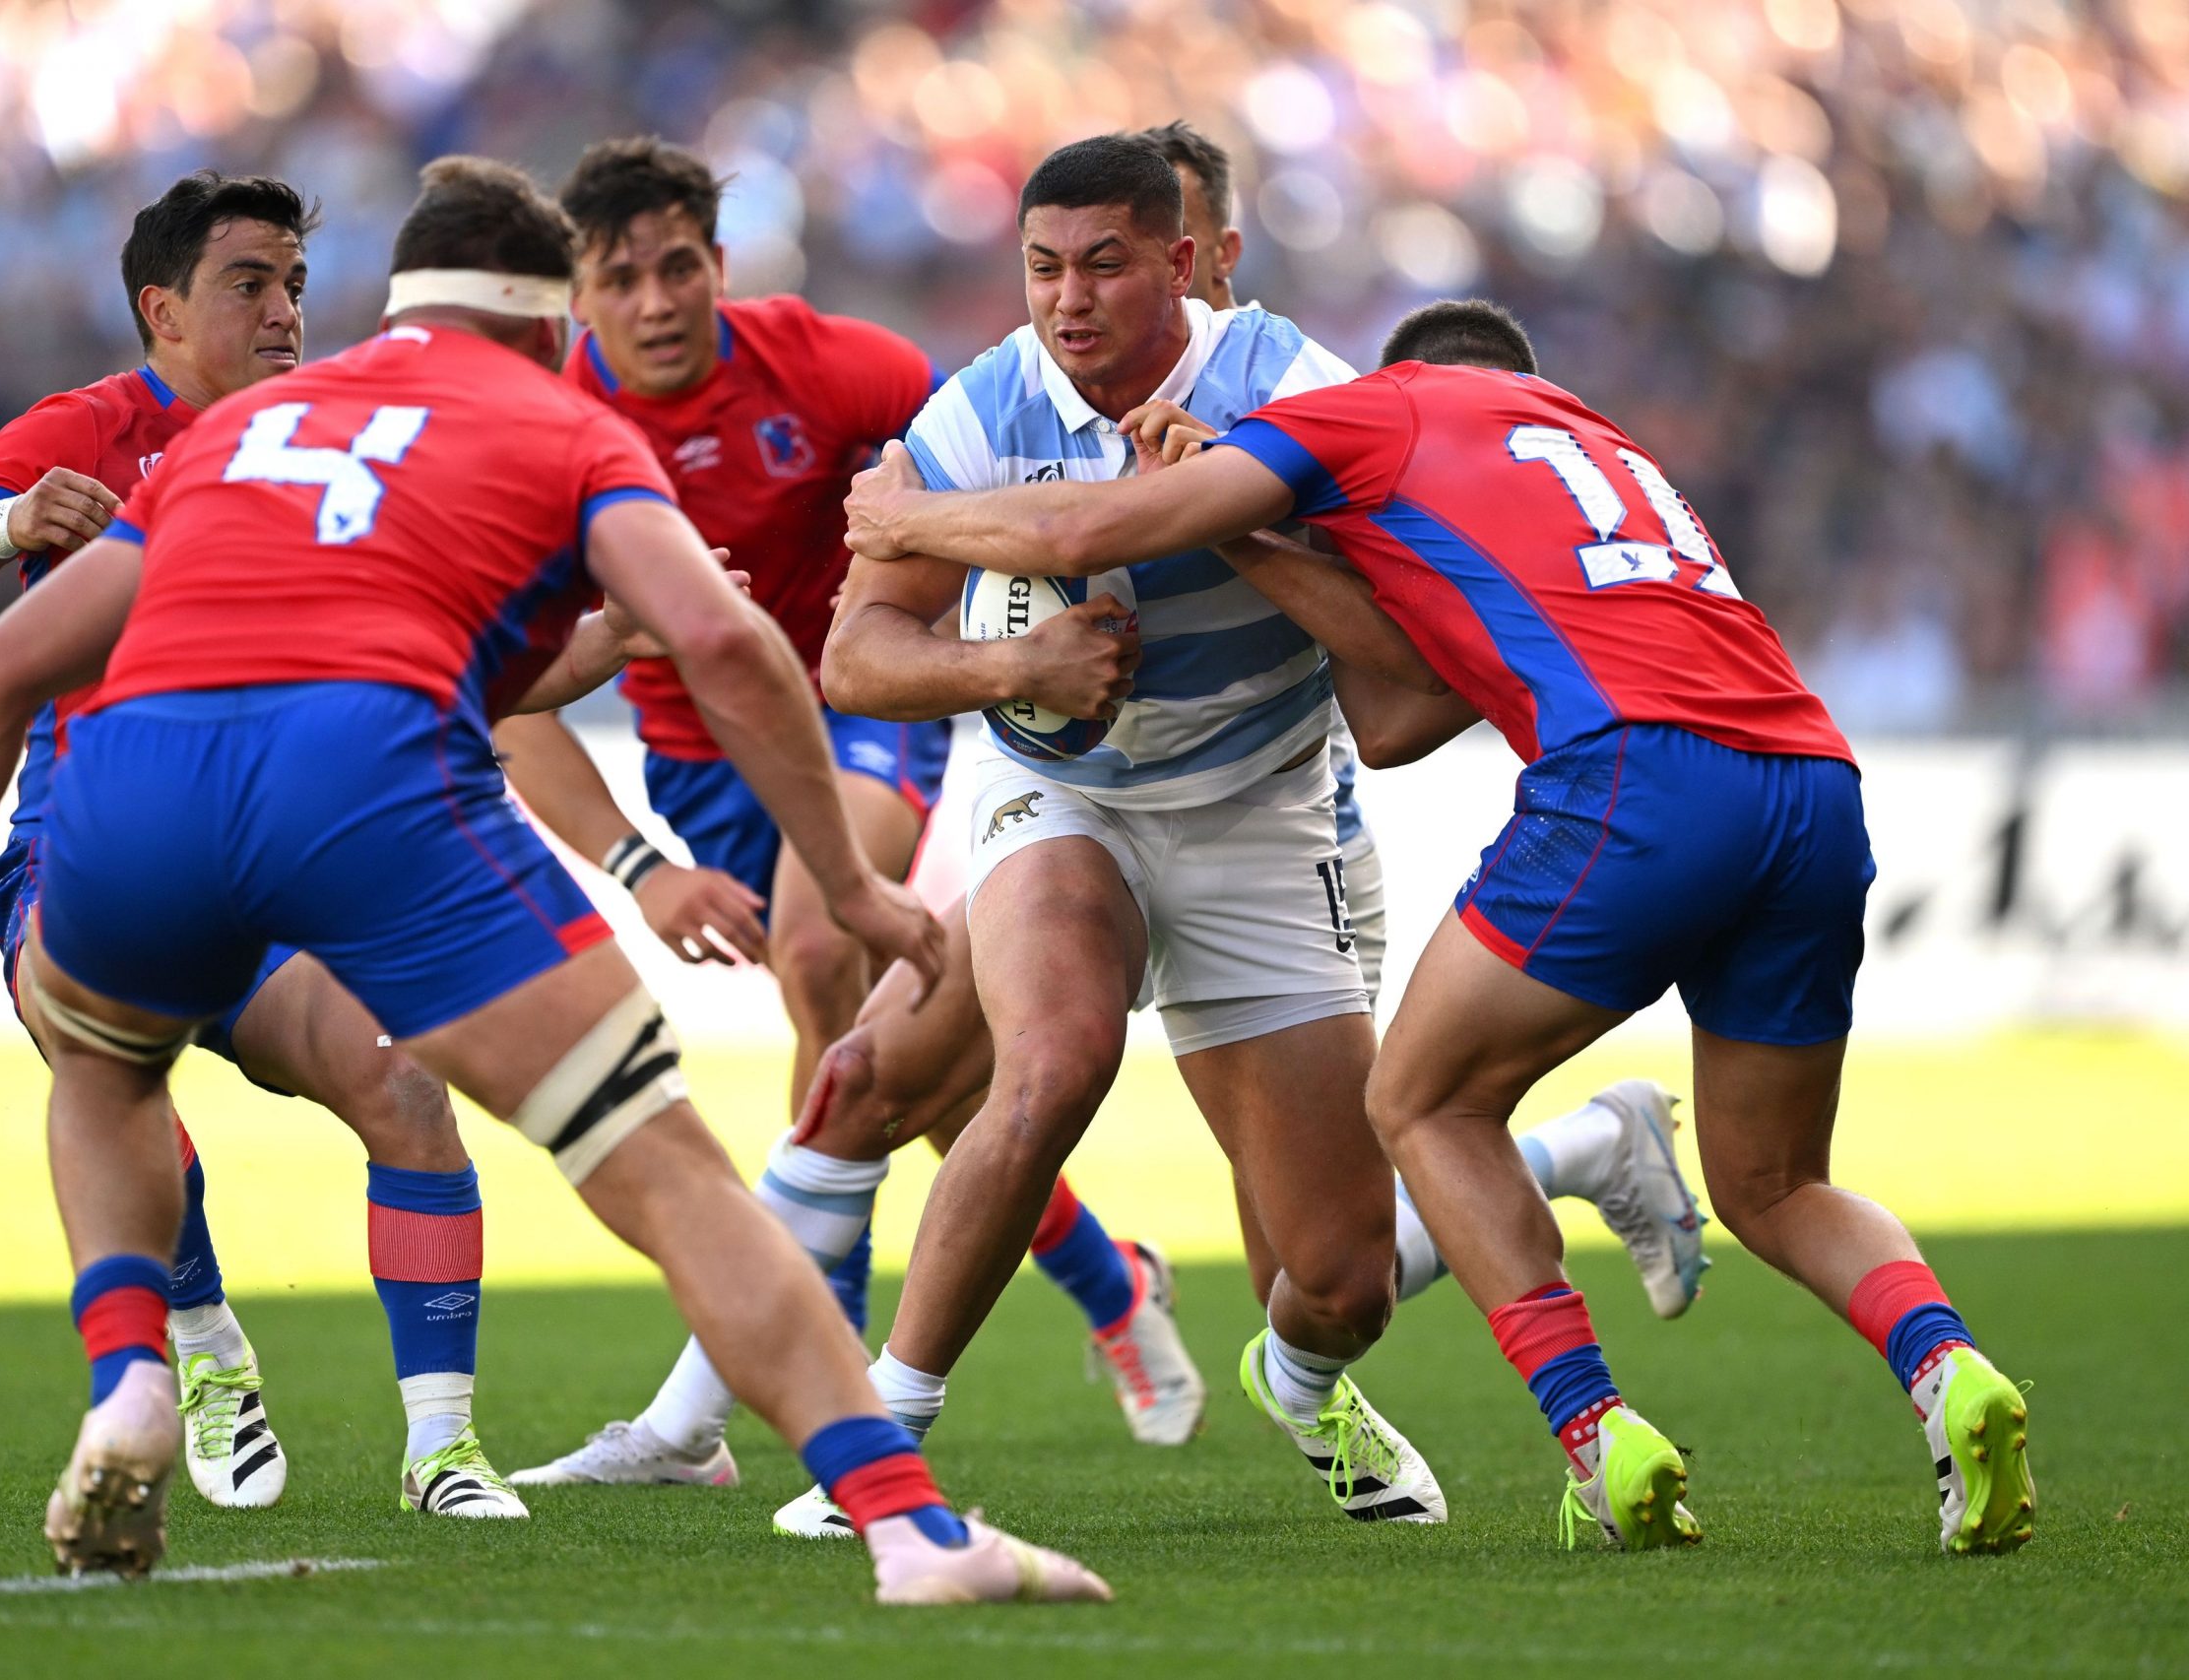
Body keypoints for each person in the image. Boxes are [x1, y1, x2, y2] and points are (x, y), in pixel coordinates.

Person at [0, 156, 1110, 1605]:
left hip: (136, 777)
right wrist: (854, 883)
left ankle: (134, 1365)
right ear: (545, 317)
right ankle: (909, 1530)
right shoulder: (565, 424)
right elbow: (724, 647)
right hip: (366, 779)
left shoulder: (240, 427)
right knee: (657, 1159)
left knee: (99, 1060)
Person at [840, 296, 2037, 1558]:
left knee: (1418, 1101)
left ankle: (1596, 1432)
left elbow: (1092, 522)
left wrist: (903, 519)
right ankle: (1948, 1366)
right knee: (1778, 1179)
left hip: (1637, 785)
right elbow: (1402, 720)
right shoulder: (1601, 442)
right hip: (1809, 777)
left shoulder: (1376, 407)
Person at [501, 137, 1199, 1491]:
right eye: (620, 277)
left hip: (859, 699)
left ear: (720, 261)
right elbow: (505, 697)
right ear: (574, 298)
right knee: (898, 1072)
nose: (655, 301)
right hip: (703, 762)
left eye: (680, 266)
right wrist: (640, 859)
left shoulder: (829, 365)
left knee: (829, 965)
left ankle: (809, 1387)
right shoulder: (542, 430)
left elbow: (989, 438)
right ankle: (1112, 1280)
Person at [818, 135, 1446, 1535]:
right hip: (1063, 798)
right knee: (1051, 1061)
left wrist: (1236, 522)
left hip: (1260, 812)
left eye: (1105, 263)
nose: (1068, 299)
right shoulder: (984, 405)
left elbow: (1409, 665)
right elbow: (855, 655)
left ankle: (1302, 1380)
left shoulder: (1295, 391)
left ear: (1184, 262)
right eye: (1043, 266)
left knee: (1342, 1277)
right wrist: (1008, 673)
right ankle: (879, 1441)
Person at [0, 171, 508, 1518]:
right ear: (161, 308)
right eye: (249, 284)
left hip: (274, 854)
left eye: (294, 287)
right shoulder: (86, 429)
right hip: (88, 840)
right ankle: (205, 1345)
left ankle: (442, 1447)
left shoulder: (331, 434)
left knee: (401, 1086)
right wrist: (5, 522)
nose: (284, 312)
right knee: (113, 1064)